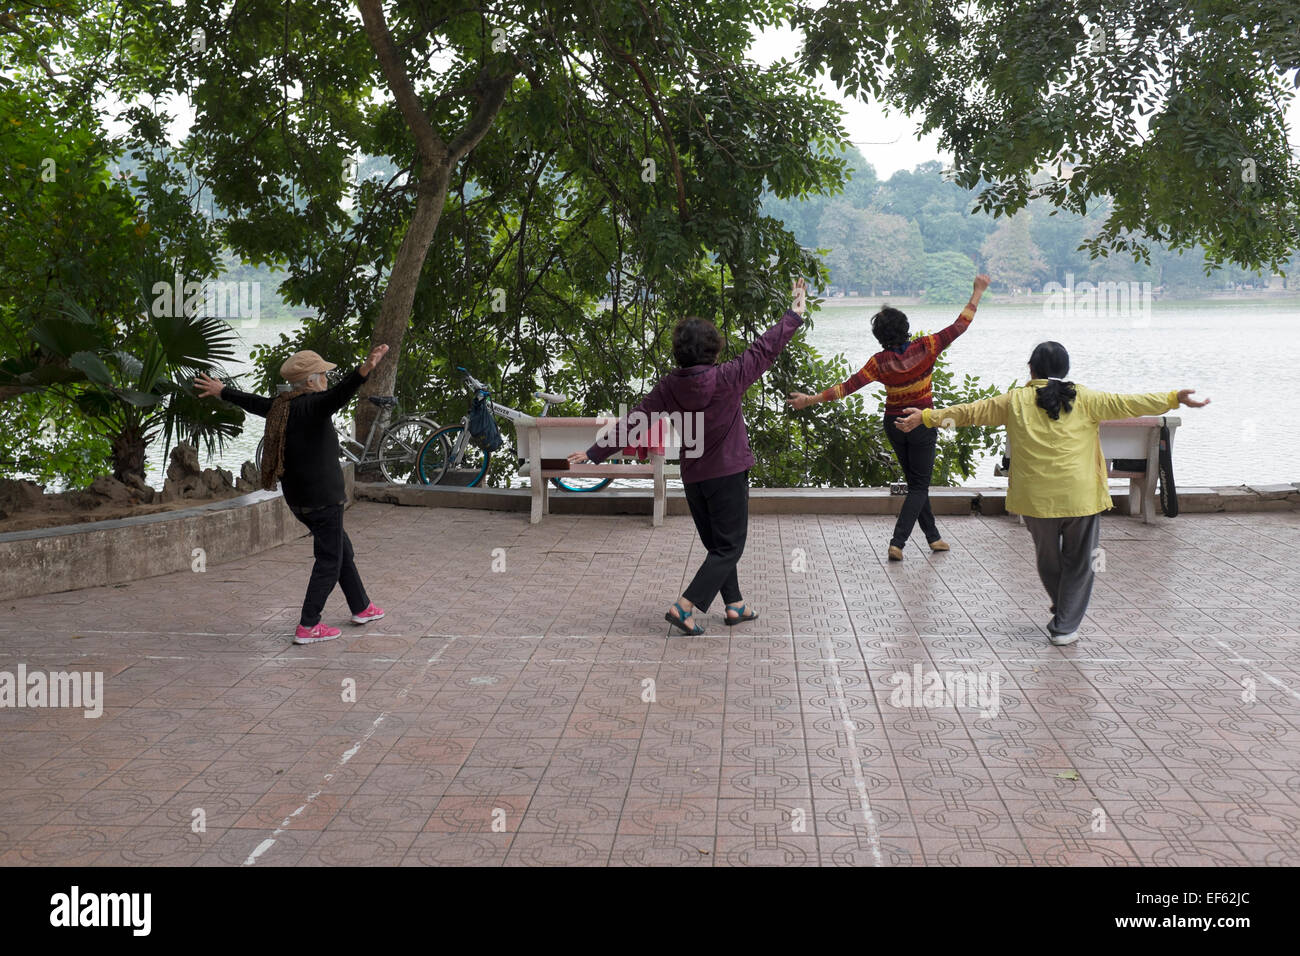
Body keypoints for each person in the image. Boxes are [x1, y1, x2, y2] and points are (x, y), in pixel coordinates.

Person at [894, 340, 1210, 646]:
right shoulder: (1086, 398)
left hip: (1035, 501)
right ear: (1066, 369)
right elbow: (1131, 403)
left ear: (1031, 369)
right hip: (1081, 497)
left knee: (1047, 560)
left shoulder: (1014, 401)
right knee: (1081, 563)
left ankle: (1063, 612)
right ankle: (1065, 625)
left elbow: (969, 413)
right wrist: (1174, 397)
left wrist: (926, 417)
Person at [569, 280, 808, 635]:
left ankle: (735, 604)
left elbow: (635, 421)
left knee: (718, 546)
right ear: (714, 349)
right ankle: (684, 607)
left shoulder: (670, 386)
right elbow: (764, 349)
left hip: (695, 478)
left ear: (678, 352)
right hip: (727, 474)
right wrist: (794, 314)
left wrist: (593, 452)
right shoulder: (729, 376)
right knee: (729, 547)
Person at [194, 344, 389, 644]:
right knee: (330, 559)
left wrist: (223, 391)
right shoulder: (315, 405)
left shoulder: (281, 407)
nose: (326, 379)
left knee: (341, 550)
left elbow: (254, 402)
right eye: (323, 374)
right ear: (311, 380)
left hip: (299, 499)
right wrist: (365, 369)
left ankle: (361, 606)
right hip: (324, 499)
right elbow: (342, 393)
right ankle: (308, 625)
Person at [787, 274, 991, 561]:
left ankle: (933, 537)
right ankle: (898, 542)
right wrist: (978, 291)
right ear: (906, 327)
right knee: (919, 485)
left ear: (880, 336)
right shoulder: (928, 346)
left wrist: (809, 399)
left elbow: (846, 388)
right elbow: (961, 325)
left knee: (915, 483)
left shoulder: (878, 363)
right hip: (922, 422)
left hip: (894, 425)